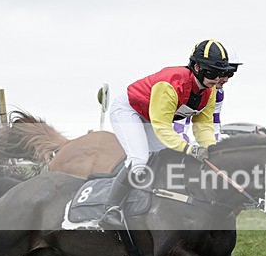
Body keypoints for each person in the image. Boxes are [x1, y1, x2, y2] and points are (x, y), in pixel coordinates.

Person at [101, 39, 237, 228]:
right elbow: (162, 126)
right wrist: (189, 149)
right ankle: (111, 208)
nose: (218, 79)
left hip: (150, 116)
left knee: (164, 157)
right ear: (197, 67)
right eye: (214, 72)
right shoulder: (171, 84)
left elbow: (203, 125)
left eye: (222, 73)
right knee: (139, 159)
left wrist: (210, 149)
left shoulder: (209, 91)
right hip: (128, 110)